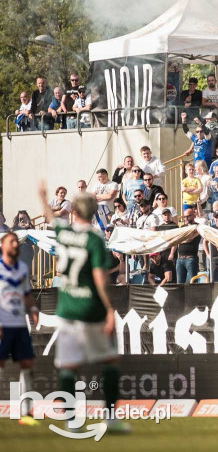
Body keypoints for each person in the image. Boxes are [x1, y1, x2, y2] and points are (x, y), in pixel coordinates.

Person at [38, 181, 130, 434]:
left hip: (66, 309)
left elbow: (51, 218)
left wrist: (43, 198)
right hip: (90, 308)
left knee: (69, 367)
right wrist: (110, 309)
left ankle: (71, 420)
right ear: (93, 213)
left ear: (73, 212)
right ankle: (110, 418)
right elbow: (100, 279)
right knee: (110, 361)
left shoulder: (63, 232)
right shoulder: (94, 238)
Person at [0, 231, 40, 425]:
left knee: (27, 365)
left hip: (19, 324)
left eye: (16, 241)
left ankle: (26, 413)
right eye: (11, 242)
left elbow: (26, 293)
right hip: (2, 323)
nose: (15, 245)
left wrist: (32, 308)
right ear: (2, 246)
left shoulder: (22, 267)